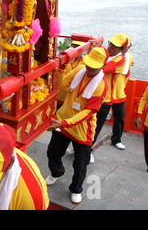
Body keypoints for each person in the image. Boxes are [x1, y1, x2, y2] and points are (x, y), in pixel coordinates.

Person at [46, 46, 108, 204]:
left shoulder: (102, 85)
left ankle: (76, 189)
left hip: (82, 129)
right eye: (88, 64)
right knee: (53, 152)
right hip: (64, 119)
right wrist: (59, 68)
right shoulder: (80, 69)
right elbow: (62, 85)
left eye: (94, 67)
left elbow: (88, 112)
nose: (89, 69)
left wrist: (65, 123)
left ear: (101, 66)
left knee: (80, 164)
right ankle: (56, 172)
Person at [92, 33, 128, 154]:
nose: (110, 46)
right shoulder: (105, 53)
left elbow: (99, 68)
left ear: (122, 50)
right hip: (94, 93)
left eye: (114, 46)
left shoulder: (120, 61)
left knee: (96, 125)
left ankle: (88, 150)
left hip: (105, 97)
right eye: (110, 43)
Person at [56, 40, 85, 111]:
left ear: (82, 50)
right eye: (73, 47)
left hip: (73, 99)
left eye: (77, 47)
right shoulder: (64, 60)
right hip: (60, 97)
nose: (74, 49)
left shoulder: (85, 63)